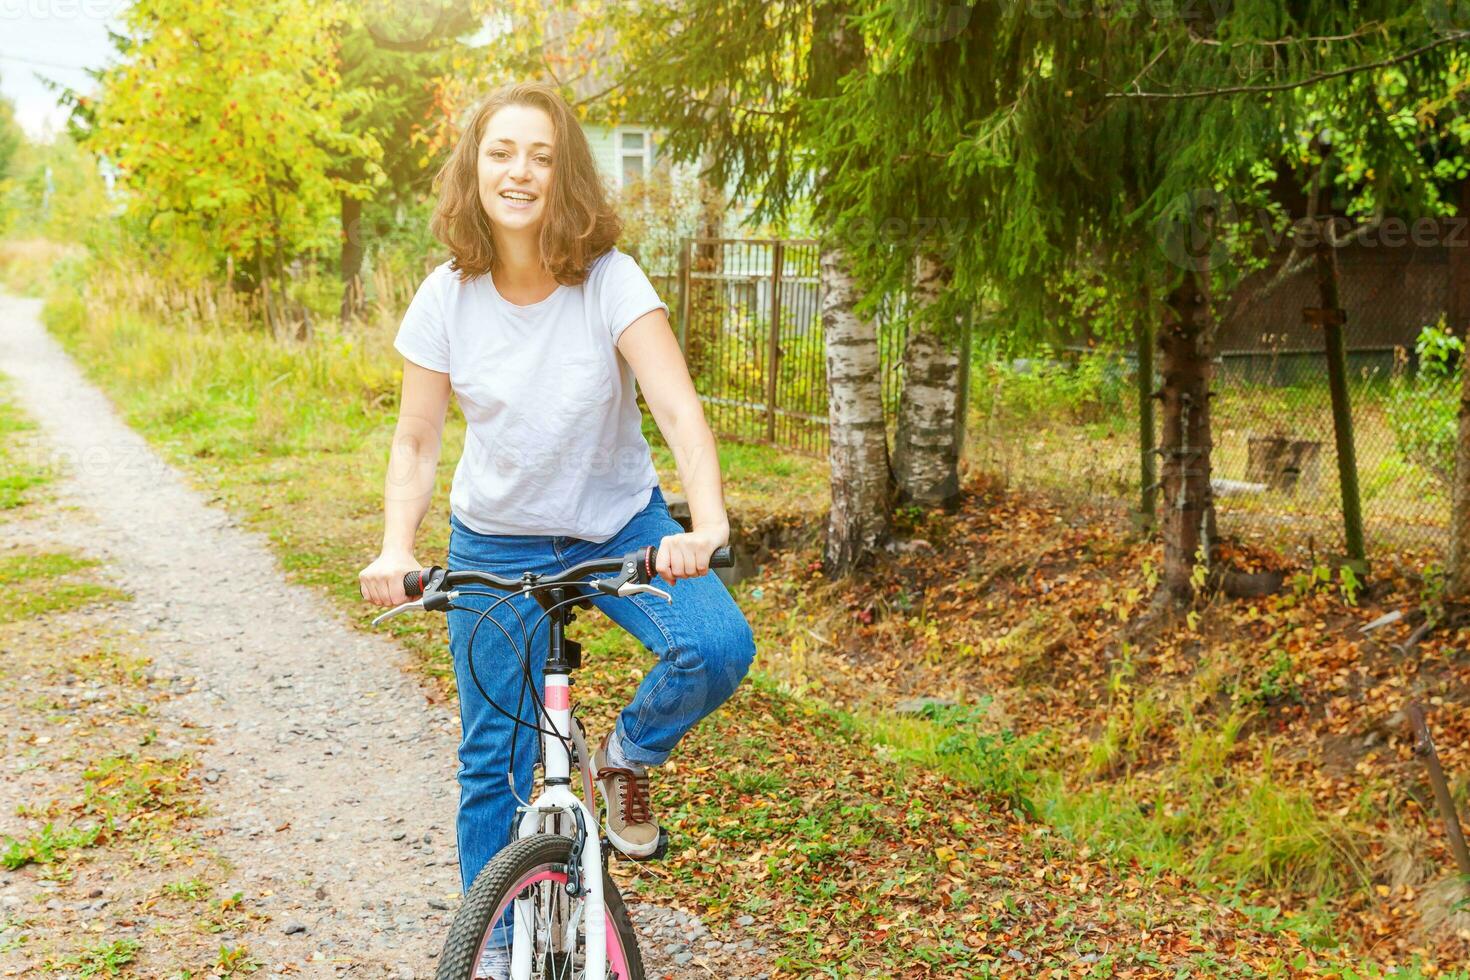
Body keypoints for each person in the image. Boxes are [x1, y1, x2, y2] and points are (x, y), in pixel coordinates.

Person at [358, 81, 756, 976]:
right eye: (502, 151)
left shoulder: (610, 281)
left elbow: (680, 411)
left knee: (717, 644)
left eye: (541, 155)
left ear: (564, 173)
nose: (520, 171)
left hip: (617, 529)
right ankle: (495, 951)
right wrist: (396, 547)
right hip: (492, 539)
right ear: (475, 166)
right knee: (489, 761)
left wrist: (709, 522)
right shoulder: (446, 296)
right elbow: (417, 438)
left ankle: (625, 756)